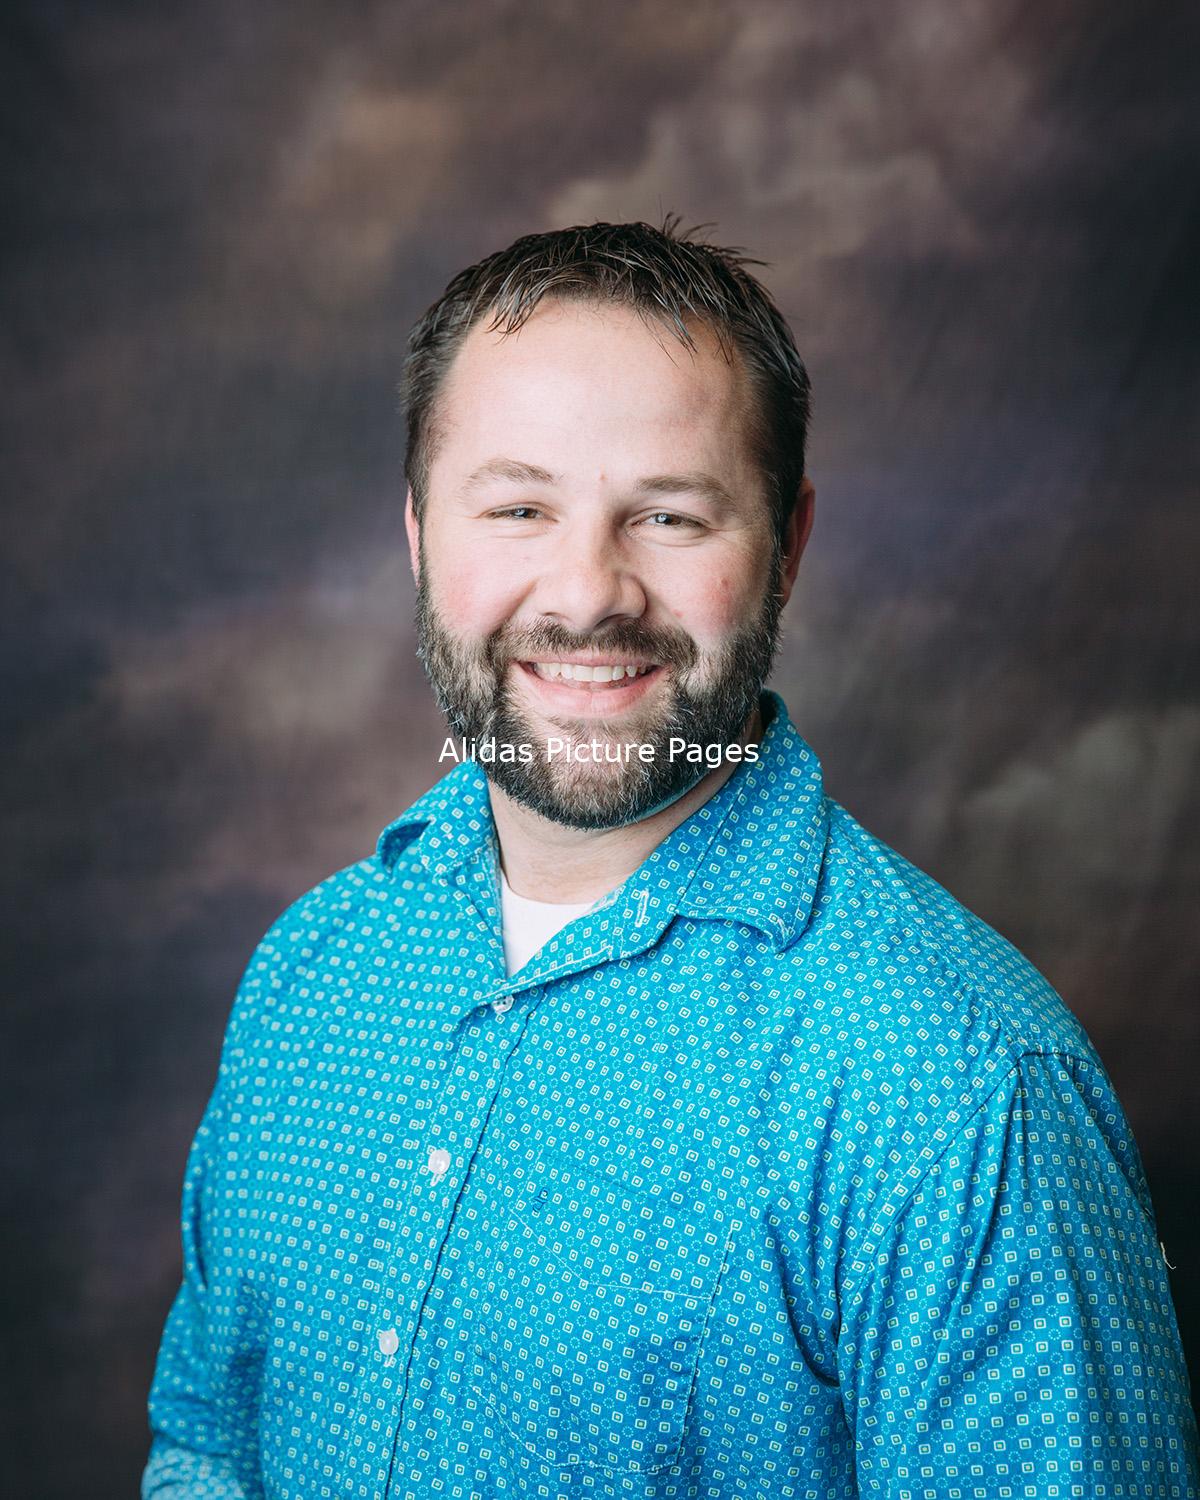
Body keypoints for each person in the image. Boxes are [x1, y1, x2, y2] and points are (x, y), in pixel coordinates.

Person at [142, 219, 1199, 1499]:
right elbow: (208, 1445)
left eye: (668, 515)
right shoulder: (312, 970)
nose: (589, 593)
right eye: (518, 507)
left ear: (787, 550)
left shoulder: (960, 1089)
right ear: (420, 537)